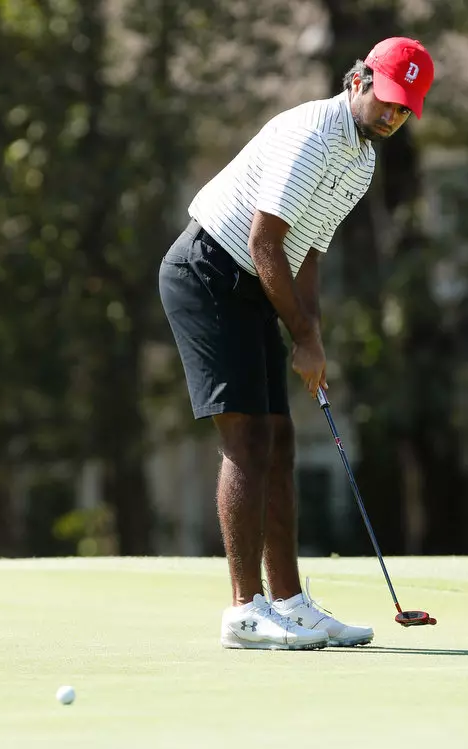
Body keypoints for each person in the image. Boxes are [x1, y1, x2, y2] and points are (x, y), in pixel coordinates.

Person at [157, 37, 435, 650]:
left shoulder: (361, 161)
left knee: (279, 442)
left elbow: (305, 252)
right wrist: (303, 338)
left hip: (257, 284)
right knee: (248, 440)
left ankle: (289, 603)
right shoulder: (311, 134)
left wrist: (311, 339)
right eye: (388, 100)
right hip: (207, 275)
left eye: (404, 109)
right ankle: (244, 611)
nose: (393, 116)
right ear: (359, 80)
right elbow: (264, 241)